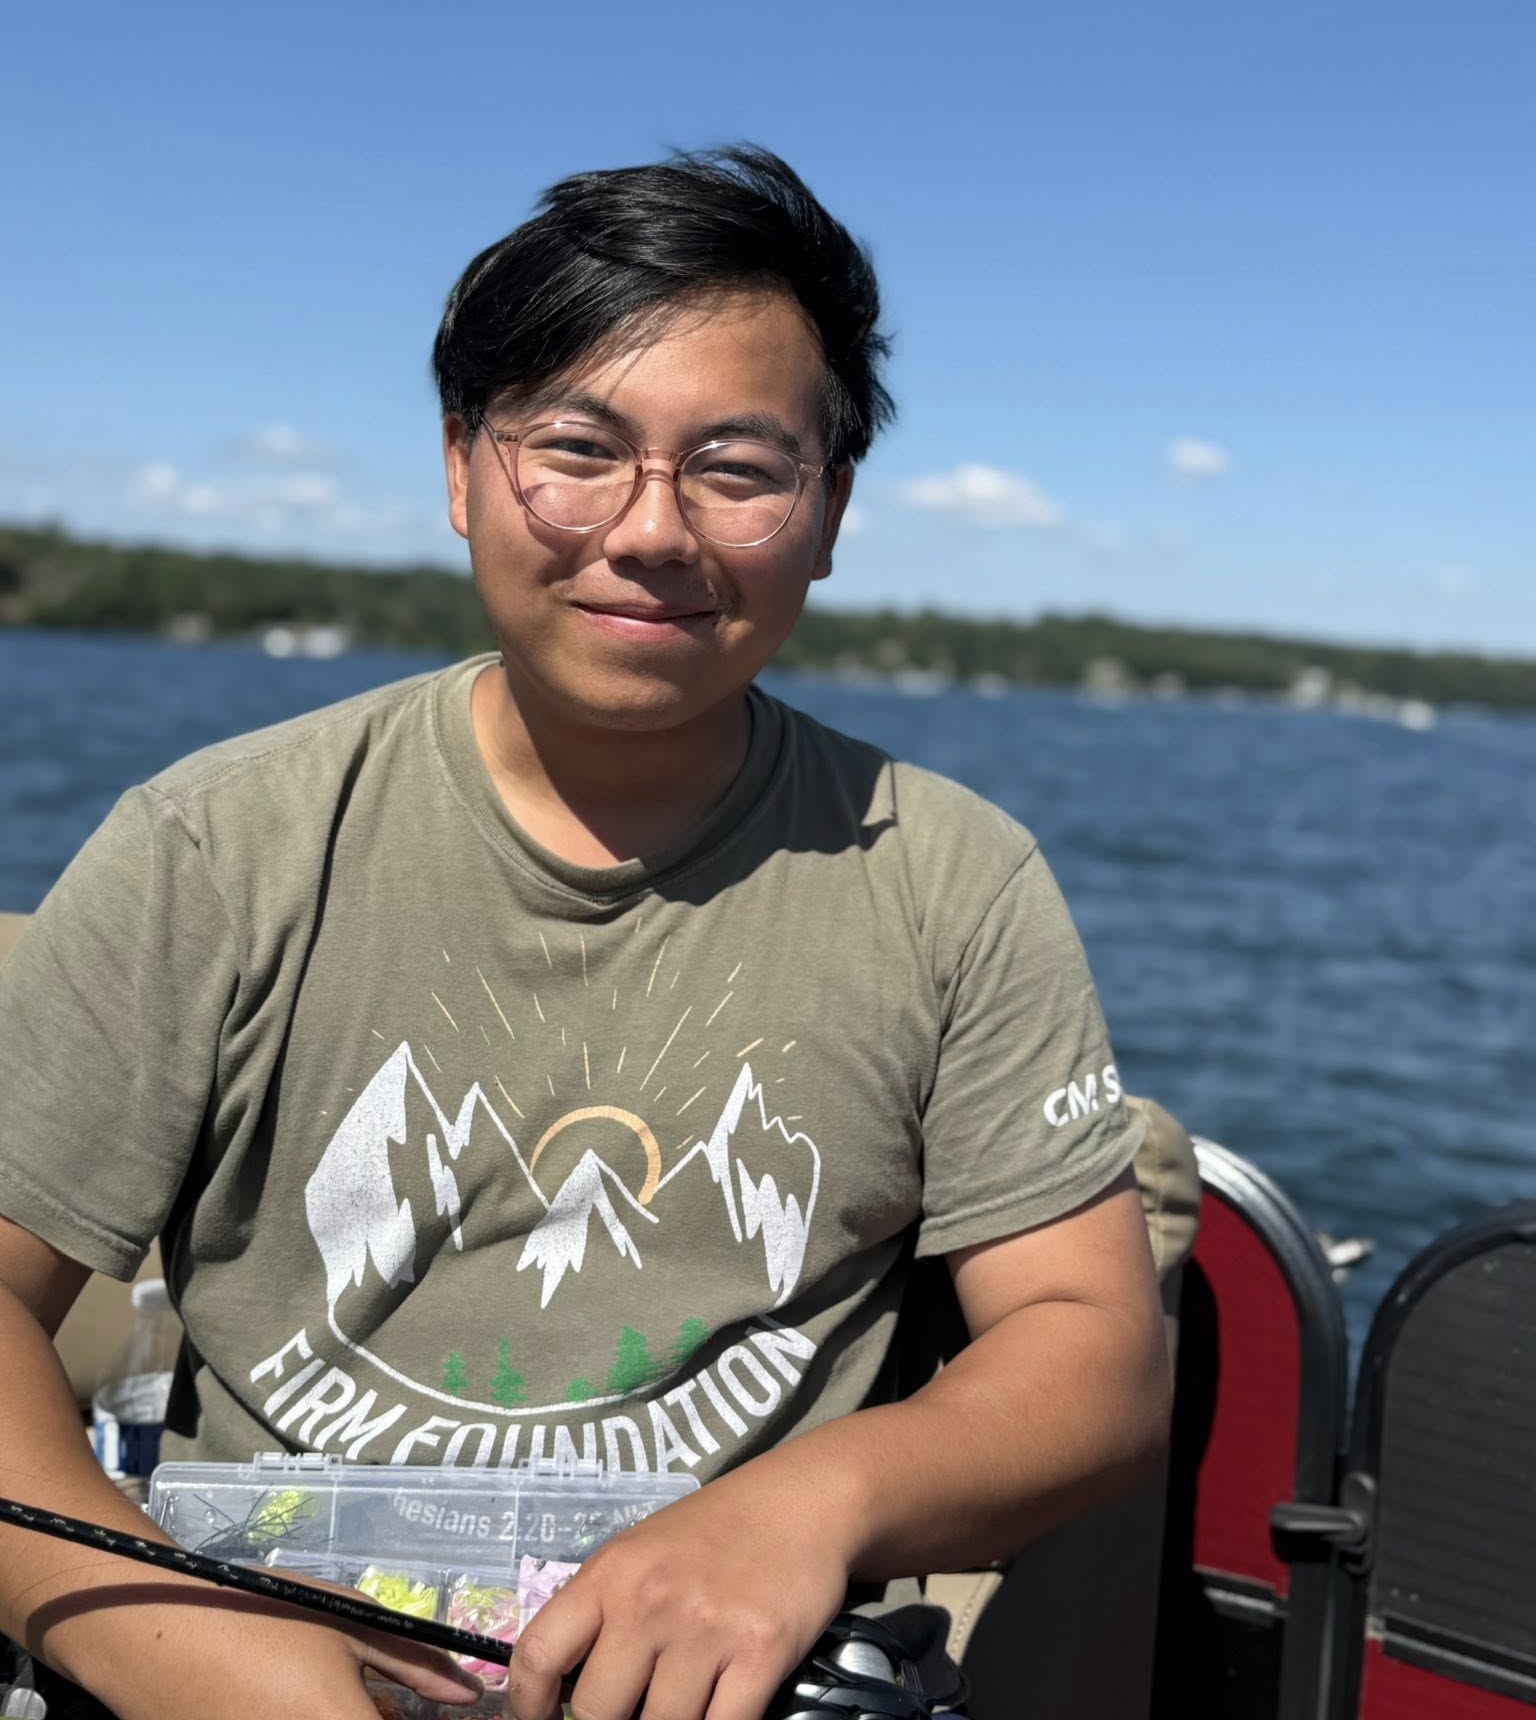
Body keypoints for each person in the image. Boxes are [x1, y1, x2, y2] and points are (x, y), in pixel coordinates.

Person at [0, 147, 1171, 1720]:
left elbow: (1090, 1345)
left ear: (828, 515)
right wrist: (183, 1645)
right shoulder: (219, 846)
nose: (651, 530)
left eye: (740, 469)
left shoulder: (946, 877)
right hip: (239, 1629)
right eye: (578, 448)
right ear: (465, 471)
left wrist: (802, 1510)